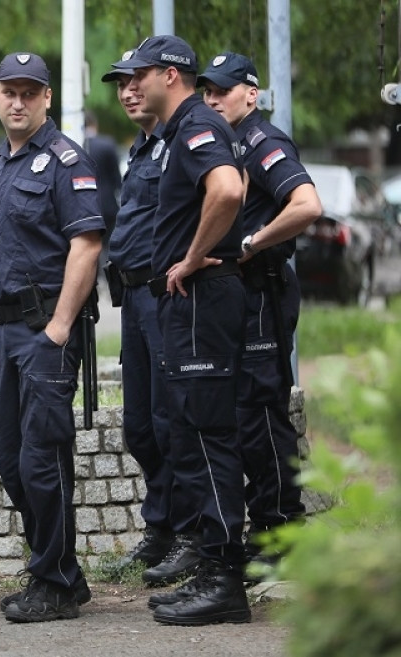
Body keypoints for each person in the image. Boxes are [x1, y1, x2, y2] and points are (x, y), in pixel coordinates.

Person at [0, 52, 103, 624]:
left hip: (46, 329)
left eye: (29, 92)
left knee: (44, 460)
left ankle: (54, 581)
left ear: (46, 98)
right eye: (8, 92)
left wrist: (60, 326)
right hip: (6, 329)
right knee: (11, 457)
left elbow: (87, 244)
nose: (17, 102)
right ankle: (60, 569)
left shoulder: (67, 161)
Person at [120, 35, 250, 626]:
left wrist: (194, 255)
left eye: (140, 73)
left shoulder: (197, 124)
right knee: (190, 435)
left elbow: (227, 190)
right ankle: (211, 569)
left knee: (206, 434)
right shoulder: (173, 135)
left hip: (201, 298)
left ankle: (225, 580)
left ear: (170, 75)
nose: (132, 84)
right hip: (183, 304)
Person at [198, 53, 322, 574]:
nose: (211, 99)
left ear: (252, 93)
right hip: (237, 296)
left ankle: (282, 531)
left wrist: (251, 241)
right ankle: (267, 525)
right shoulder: (227, 144)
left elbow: (307, 206)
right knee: (242, 414)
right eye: (206, 91)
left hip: (262, 291)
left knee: (261, 415)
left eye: (222, 91)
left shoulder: (261, 141)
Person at [99, 55, 199, 582]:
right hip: (135, 300)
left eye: (136, 81)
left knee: (172, 421)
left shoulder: (184, 140)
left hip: (168, 297)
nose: (128, 91)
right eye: (121, 84)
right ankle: (160, 528)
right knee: (140, 425)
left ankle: (190, 533)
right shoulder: (140, 149)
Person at [83, 109, 122, 255]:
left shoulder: (73, 144)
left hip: (82, 206)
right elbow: (116, 178)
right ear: (95, 124)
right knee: (106, 247)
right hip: (107, 204)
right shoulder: (107, 144)